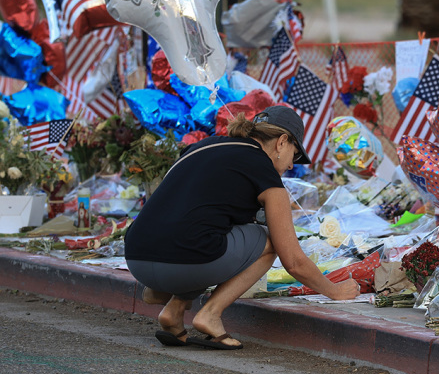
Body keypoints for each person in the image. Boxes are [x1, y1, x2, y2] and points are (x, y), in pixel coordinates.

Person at [124, 106, 359, 350]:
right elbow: (293, 261)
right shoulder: (265, 172)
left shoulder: (204, 146)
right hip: (182, 263)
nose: (291, 165)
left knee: (208, 234)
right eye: (295, 154)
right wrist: (334, 291)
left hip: (136, 258)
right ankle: (210, 315)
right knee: (268, 243)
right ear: (281, 142)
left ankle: (172, 311)